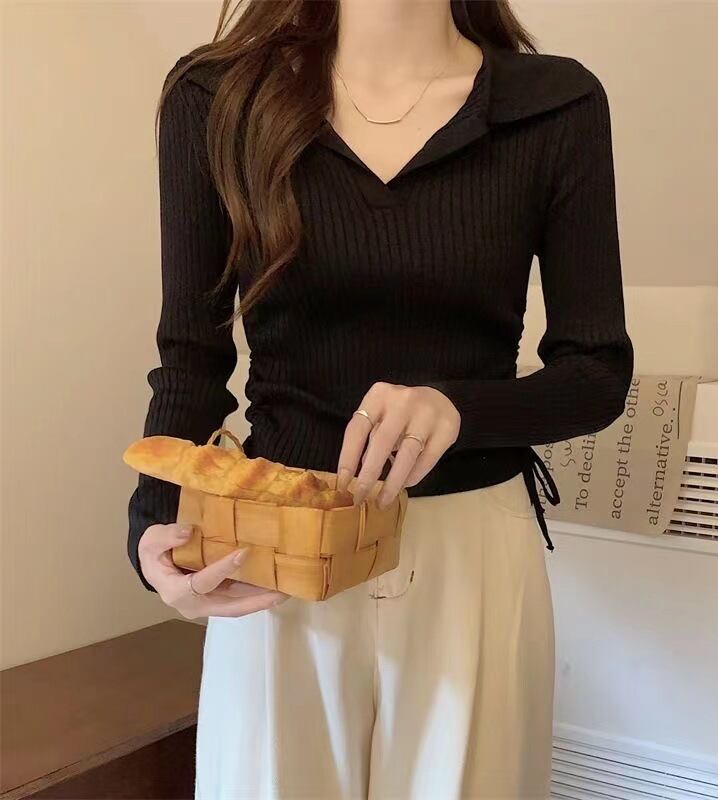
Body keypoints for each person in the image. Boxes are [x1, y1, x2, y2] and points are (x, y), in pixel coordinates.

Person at [127, 1, 634, 797]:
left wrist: (459, 409)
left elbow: (597, 371)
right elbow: (191, 358)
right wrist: (153, 527)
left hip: (471, 558)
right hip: (279, 553)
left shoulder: (554, 107)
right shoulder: (217, 100)